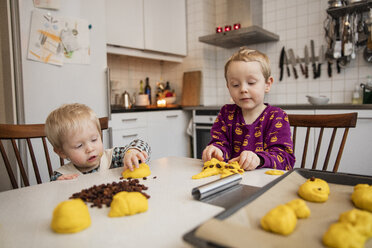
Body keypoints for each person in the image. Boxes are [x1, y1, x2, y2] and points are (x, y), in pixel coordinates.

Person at [202, 47, 295, 171]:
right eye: (235, 84)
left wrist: (259, 159)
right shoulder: (226, 113)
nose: (243, 89)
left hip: (265, 183)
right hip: (232, 179)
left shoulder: (277, 116)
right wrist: (215, 150)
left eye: (251, 83)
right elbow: (220, 143)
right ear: (228, 87)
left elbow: (285, 159)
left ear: (267, 84)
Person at [45, 103, 151, 181]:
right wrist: (60, 186)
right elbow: (55, 196)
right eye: (79, 145)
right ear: (61, 152)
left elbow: (142, 144)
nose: (90, 149)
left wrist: (132, 153)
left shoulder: (113, 158)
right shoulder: (61, 175)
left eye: (94, 140)